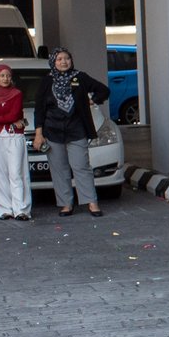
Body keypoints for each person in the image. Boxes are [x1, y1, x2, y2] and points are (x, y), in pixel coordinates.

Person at [33, 46, 111, 217]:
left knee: (81, 166)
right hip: (53, 131)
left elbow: (103, 90)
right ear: (53, 62)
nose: (63, 62)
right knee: (59, 169)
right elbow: (39, 109)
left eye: (66, 58)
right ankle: (66, 204)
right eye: (59, 59)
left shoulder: (80, 77)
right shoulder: (47, 81)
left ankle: (91, 202)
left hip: (77, 130)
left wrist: (93, 100)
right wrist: (38, 133)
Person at [0, 63, 32, 220]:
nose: (5, 78)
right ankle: (3, 209)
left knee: (16, 173)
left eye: (8, 75)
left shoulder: (17, 94)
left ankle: (21, 209)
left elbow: (13, 115)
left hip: (14, 136)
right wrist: (1, 120)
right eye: (2, 75)